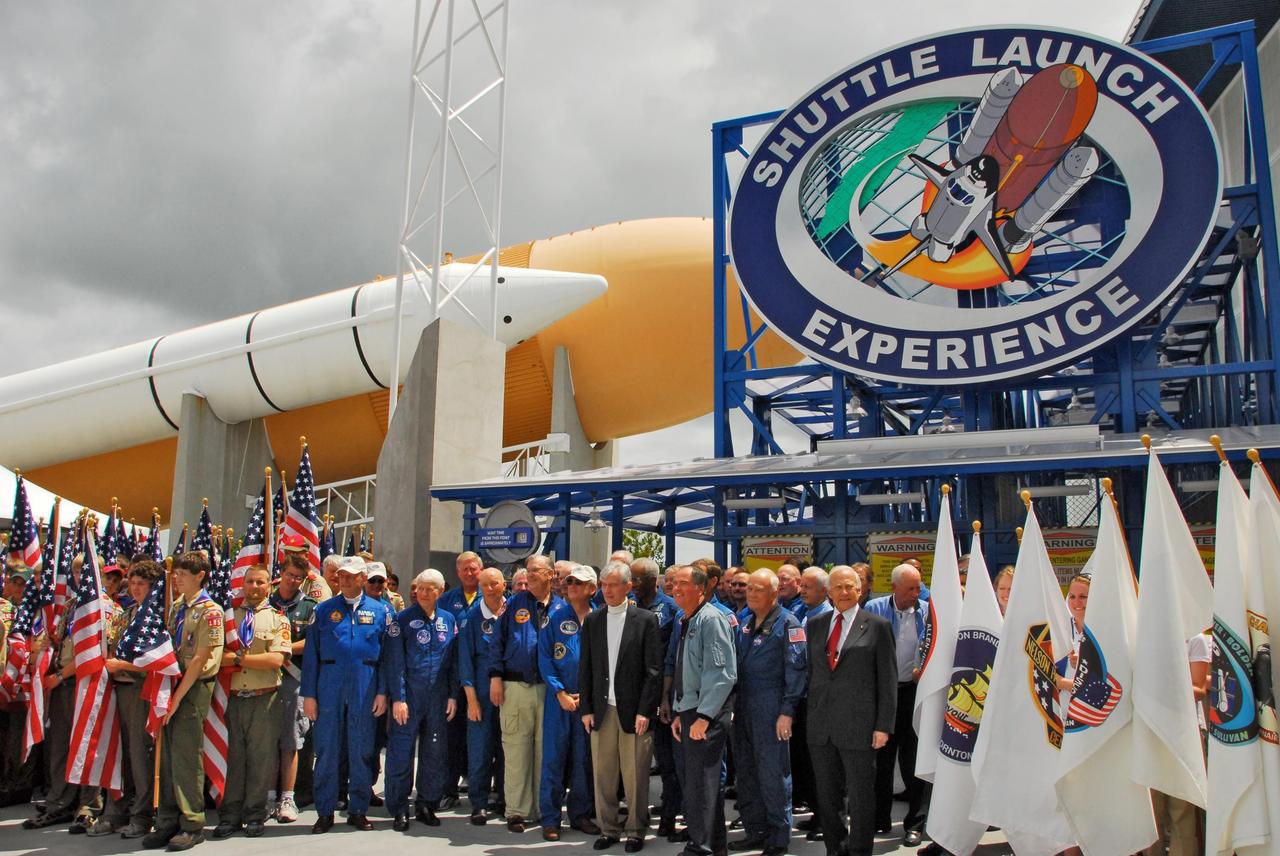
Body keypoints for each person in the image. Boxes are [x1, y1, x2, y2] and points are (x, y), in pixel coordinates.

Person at [25, 552, 118, 834]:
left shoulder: (105, 608)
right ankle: (59, 802)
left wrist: (60, 675)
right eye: (77, 572)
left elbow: (95, 651)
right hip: (65, 683)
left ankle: (88, 806)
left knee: (89, 743)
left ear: (99, 573)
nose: (80, 577)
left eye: (86, 571)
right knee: (60, 745)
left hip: (87, 682)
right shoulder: (71, 605)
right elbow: (63, 639)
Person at [805, 566, 895, 856]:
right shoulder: (816, 625)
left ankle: (859, 850)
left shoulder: (877, 626)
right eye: (838, 587)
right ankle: (836, 849)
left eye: (849, 587)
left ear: (860, 590)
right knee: (828, 797)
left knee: (860, 796)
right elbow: (813, 674)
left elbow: (888, 681)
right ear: (828, 592)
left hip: (860, 727)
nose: (844, 592)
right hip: (822, 726)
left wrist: (883, 726)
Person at [301, 556, 391, 834]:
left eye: (351, 576)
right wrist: (309, 695)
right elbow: (311, 656)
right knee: (327, 750)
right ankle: (325, 811)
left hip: (366, 684)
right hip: (330, 684)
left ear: (363, 578)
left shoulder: (381, 612)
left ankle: (358, 809)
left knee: (362, 750)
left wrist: (383, 692)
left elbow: (389, 657)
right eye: (341, 575)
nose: (345, 580)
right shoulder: (324, 610)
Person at [143, 551, 225, 852]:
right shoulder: (177, 607)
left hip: (192, 689)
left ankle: (191, 823)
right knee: (165, 755)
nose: (175, 578)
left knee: (186, 756)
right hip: (171, 684)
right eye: (175, 573)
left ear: (200, 575)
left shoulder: (210, 611)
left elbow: (201, 658)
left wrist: (176, 699)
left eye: (182, 573)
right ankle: (166, 819)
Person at [580, 560, 662, 852]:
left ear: (629, 586)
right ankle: (609, 828)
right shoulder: (593, 620)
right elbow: (586, 668)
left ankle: (636, 829)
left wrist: (645, 711)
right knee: (603, 773)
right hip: (602, 710)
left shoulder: (646, 620)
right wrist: (586, 708)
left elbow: (653, 671)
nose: (608, 590)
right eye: (604, 584)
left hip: (633, 711)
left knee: (635, 774)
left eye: (614, 584)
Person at [728, 569, 807, 856]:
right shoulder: (746, 622)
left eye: (758, 589)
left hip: (771, 710)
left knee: (773, 774)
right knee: (747, 773)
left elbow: (796, 671)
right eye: (749, 588)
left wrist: (787, 711)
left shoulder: (789, 624)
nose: (751, 593)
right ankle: (755, 829)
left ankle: (778, 835)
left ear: (774, 594)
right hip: (743, 709)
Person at [214, 564, 292, 839]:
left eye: (260, 582)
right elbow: (214, 656)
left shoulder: (278, 620)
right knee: (233, 758)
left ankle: (255, 815)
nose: (255, 587)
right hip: (232, 698)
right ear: (242, 584)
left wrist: (237, 659)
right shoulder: (228, 617)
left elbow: (276, 659)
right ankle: (230, 815)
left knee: (261, 760)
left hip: (264, 698)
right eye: (250, 582)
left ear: (269, 585)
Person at [487, 555, 563, 833]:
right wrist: (495, 677)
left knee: (546, 752)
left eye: (535, 571)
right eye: (527, 571)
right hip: (515, 687)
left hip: (549, 690)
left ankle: (544, 810)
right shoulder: (515, 604)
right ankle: (517, 811)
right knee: (517, 750)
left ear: (551, 575)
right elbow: (498, 642)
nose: (529, 575)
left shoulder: (561, 608)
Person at [92, 559, 163, 839]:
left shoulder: (157, 616)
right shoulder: (126, 613)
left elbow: (158, 661)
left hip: (139, 689)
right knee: (115, 752)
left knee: (138, 754)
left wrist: (122, 666)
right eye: (131, 583)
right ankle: (115, 811)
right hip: (116, 689)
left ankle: (142, 815)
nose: (135, 588)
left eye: (141, 584)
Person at [670, 565, 737, 856]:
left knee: (703, 786)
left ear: (700, 588)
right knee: (697, 783)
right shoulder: (687, 618)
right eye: (674, 584)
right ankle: (712, 846)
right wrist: (678, 712)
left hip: (706, 714)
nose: (676, 589)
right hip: (690, 711)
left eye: (684, 583)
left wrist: (704, 717)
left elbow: (722, 674)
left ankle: (701, 847)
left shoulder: (711, 619)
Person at [384, 569, 459, 831]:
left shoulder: (449, 620)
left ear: (440, 592)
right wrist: (398, 699)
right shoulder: (400, 620)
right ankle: (399, 807)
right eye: (420, 589)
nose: (423, 594)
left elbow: (452, 664)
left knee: (435, 753)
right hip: (410, 697)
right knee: (401, 753)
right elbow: (395, 663)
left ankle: (427, 803)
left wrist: (452, 695)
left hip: (438, 698)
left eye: (430, 589)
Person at [865, 562, 930, 844]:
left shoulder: (927, 613)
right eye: (910, 588)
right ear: (894, 588)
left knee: (913, 761)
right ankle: (879, 819)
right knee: (881, 760)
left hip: (913, 693)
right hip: (882, 694)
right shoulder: (875, 609)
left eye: (918, 587)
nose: (916, 593)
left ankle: (915, 824)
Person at [537, 564, 598, 840]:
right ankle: (550, 819)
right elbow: (545, 659)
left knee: (583, 760)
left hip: (589, 702)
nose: (571, 585)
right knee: (553, 759)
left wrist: (589, 695)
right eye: (570, 581)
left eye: (578, 582)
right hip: (559, 701)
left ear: (591, 589)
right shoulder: (554, 618)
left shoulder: (601, 619)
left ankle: (581, 814)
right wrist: (559, 692)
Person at [267, 551, 318, 824]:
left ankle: (287, 796)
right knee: (265, 743)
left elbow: (312, 643)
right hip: (263, 678)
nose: (293, 581)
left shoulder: (309, 607)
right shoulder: (265, 602)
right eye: (289, 575)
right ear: (281, 574)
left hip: (293, 678)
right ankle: (267, 795)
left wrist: (281, 649)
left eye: (299, 578)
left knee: (290, 740)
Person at [632, 558, 680, 837]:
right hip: (636, 694)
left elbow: (671, 656)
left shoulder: (671, 609)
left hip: (661, 694)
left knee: (667, 761)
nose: (634, 585)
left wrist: (664, 697)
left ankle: (670, 815)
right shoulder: (630, 607)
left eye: (638, 580)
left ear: (653, 580)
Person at [459, 567, 507, 824]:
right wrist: (472, 700)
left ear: (503, 585)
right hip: (480, 688)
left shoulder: (513, 613)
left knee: (506, 748)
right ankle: (479, 802)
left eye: (495, 584)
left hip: (509, 691)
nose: (490, 588)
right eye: (485, 584)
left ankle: (503, 797)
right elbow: (465, 661)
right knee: (479, 748)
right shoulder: (471, 618)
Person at [440, 551, 484, 809]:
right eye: (465, 569)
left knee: (480, 738)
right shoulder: (446, 601)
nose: (470, 573)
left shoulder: (491, 597)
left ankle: (482, 788)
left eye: (474, 569)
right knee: (452, 738)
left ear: (481, 569)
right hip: (453, 679)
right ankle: (449, 789)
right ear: (457, 572)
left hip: (481, 677)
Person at [791, 566, 831, 835]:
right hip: (803, 699)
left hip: (819, 702)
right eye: (802, 586)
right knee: (806, 763)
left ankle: (826, 820)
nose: (802, 591)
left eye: (808, 587)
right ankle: (817, 814)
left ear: (824, 590)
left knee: (822, 766)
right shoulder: (803, 613)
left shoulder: (827, 618)